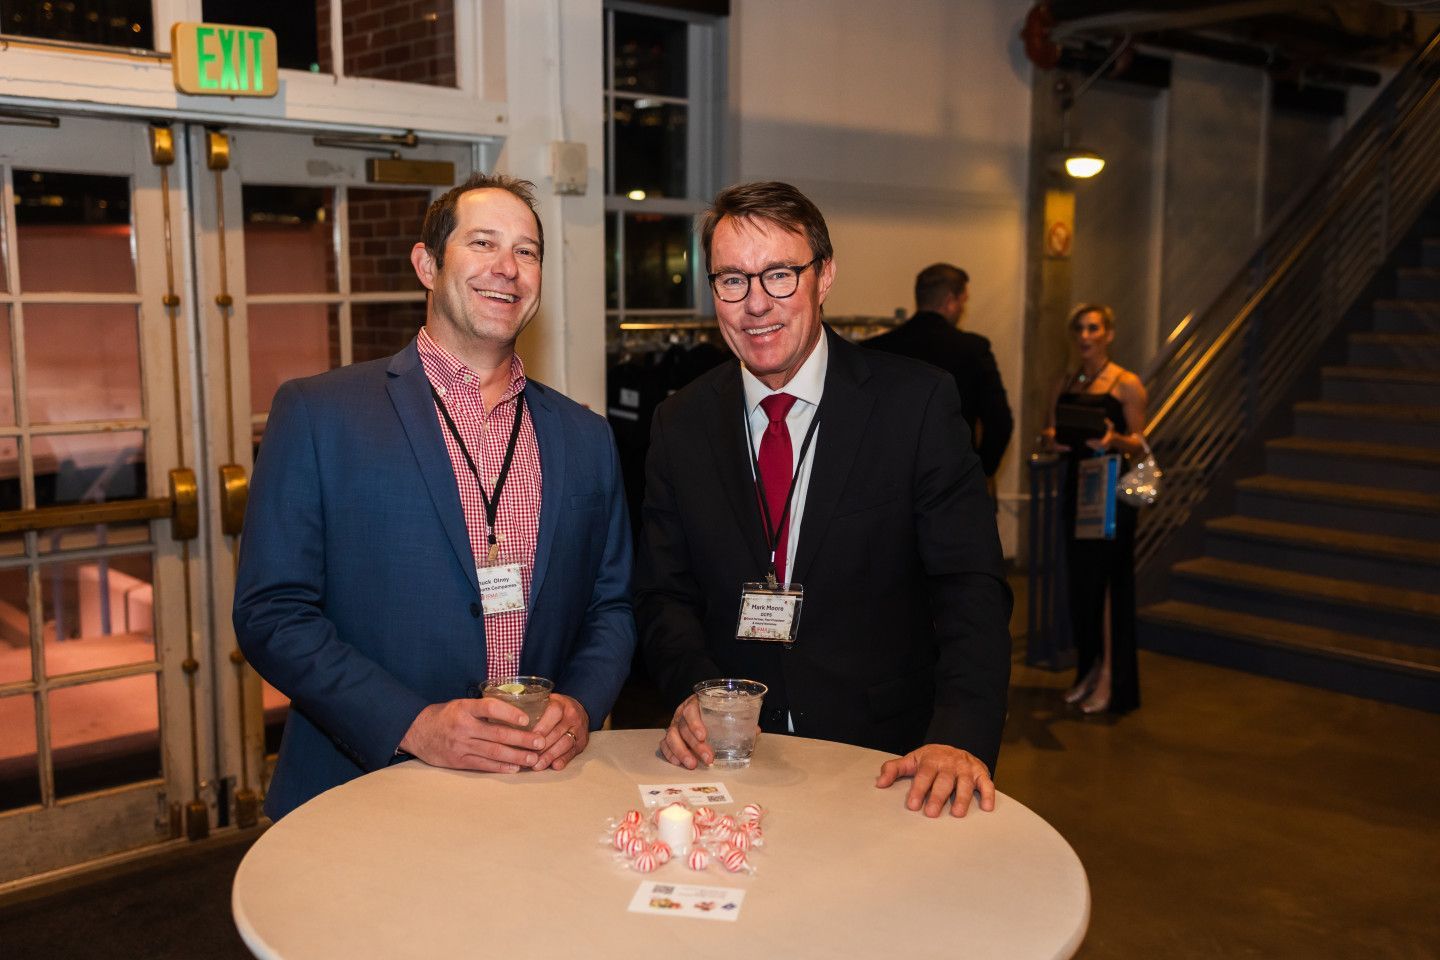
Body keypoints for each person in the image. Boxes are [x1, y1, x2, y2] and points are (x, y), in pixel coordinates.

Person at [234, 172, 636, 820]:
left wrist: (581, 703)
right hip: (363, 788)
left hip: (536, 788)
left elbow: (612, 607)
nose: (507, 268)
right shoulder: (320, 414)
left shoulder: (585, 437)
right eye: (483, 243)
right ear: (427, 264)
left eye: (527, 251)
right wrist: (413, 723)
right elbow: (272, 612)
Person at [635, 181, 1011, 818]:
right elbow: (662, 592)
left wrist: (958, 735)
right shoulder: (681, 421)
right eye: (732, 280)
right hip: (732, 763)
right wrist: (702, 695)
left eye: (779, 275)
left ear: (824, 276)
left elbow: (970, 585)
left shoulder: (914, 406)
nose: (757, 304)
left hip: (885, 764)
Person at [1041, 303, 1148, 715]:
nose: (1085, 336)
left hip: (1112, 494)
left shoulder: (1126, 383)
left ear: (1108, 333)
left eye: (1093, 328)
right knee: (1082, 587)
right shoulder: (1066, 380)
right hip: (1077, 487)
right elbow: (1050, 430)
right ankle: (1087, 671)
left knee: (1108, 589)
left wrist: (1112, 439)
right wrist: (1056, 440)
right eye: (1080, 329)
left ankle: (1111, 679)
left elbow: (1139, 442)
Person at [865, 263, 1014, 479]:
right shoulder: (973, 349)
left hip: (888, 480)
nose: (963, 309)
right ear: (950, 302)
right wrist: (978, 475)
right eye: (963, 302)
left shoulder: (875, 349)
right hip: (951, 479)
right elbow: (1000, 422)